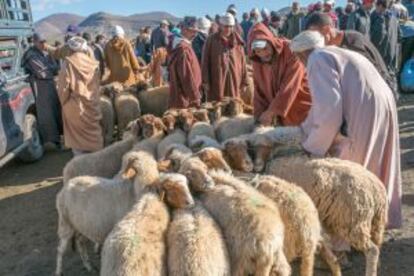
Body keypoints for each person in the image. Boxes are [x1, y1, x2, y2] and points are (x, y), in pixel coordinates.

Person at [290, 30, 402, 229]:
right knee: (376, 162)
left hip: (363, 111)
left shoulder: (317, 59)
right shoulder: (340, 52)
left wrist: (312, 146)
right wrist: (305, 128)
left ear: (301, 54)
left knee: (353, 168)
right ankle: (378, 220)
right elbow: (321, 107)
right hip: (383, 105)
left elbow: (329, 109)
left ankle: (349, 231)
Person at [306, 12, 398, 97]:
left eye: (316, 36)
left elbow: (373, 75)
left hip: (382, 94)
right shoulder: (338, 47)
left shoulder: (353, 42)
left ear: (326, 30)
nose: (315, 41)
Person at [248, 23, 312, 126]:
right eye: (258, 51)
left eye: (265, 48)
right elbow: (259, 90)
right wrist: (258, 115)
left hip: (298, 104)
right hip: (276, 108)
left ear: (271, 41)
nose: (263, 54)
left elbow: (290, 85)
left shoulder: (291, 50)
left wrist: (271, 111)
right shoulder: (257, 60)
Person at [57, 36, 103, 156]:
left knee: (78, 144)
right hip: (92, 105)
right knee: (94, 138)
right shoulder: (93, 63)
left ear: (70, 48)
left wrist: (64, 103)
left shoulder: (68, 63)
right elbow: (97, 85)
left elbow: (63, 88)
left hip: (75, 106)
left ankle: (80, 168)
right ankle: (97, 165)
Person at [21, 33, 62, 149]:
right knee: (47, 114)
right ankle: (52, 142)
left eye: (44, 42)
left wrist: (53, 69)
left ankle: (58, 140)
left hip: (48, 85)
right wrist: (53, 69)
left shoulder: (42, 52)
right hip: (41, 86)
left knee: (55, 110)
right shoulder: (31, 55)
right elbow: (43, 72)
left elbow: (53, 67)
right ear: (34, 42)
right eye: (41, 42)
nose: (43, 44)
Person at [201, 13, 248, 102]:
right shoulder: (211, 40)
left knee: (233, 104)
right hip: (217, 80)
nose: (228, 29)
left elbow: (243, 61)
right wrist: (205, 81)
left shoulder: (237, 41)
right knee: (217, 105)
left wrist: (244, 81)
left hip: (234, 79)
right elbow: (205, 61)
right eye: (226, 26)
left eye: (230, 26)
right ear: (220, 26)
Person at [168, 17, 202, 109]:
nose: (194, 34)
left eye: (196, 31)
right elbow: (186, 75)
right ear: (183, 29)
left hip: (183, 97)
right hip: (185, 99)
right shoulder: (183, 49)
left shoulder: (183, 45)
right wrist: (195, 97)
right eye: (191, 31)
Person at [370, 0, 400, 84]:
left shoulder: (377, 16)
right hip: (392, 52)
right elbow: (399, 35)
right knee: (390, 74)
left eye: (375, 6)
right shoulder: (394, 17)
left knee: (380, 76)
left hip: (381, 52)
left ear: (379, 6)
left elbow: (378, 36)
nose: (375, 8)